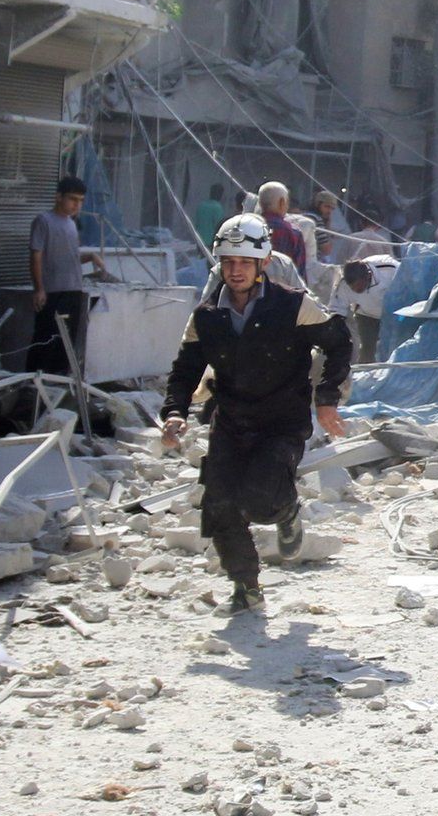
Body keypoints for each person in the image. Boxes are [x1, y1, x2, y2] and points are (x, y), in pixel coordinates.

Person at [159, 215, 352, 615]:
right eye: (229, 261)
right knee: (220, 503)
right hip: (231, 422)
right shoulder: (206, 317)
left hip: (281, 422)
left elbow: (339, 341)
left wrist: (327, 396)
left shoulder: (293, 305)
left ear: (262, 262)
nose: (236, 270)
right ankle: (245, 587)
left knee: (261, 499)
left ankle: (287, 512)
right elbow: (184, 370)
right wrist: (176, 411)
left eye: (245, 262)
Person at [29, 176, 108, 377]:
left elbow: (70, 257)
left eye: (80, 201)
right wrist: (39, 289)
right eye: (72, 199)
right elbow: (36, 255)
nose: (76, 205)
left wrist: (90, 257)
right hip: (53, 290)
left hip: (73, 289)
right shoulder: (43, 221)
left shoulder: (71, 224)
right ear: (58, 197)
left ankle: (58, 383)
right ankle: (33, 382)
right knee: (45, 339)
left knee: (66, 343)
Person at [330, 254, 398, 364]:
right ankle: (366, 378)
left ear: (368, 276)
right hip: (366, 315)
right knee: (367, 350)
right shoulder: (343, 284)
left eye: (359, 286)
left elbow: (407, 286)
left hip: (393, 312)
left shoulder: (390, 269)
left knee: (394, 347)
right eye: (352, 288)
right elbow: (336, 309)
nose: (356, 290)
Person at [256, 181, 308, 276]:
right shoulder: (293, 233)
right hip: (282, 288)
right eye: (287, 202)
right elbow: (300, 274)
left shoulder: (248, 228)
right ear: (282, 202)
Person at [309, 190, 343, 265]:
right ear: (318, 204)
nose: (329, 211)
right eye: (327, 206)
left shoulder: (304, 215)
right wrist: (328, 228)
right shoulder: (317, 219)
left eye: (332, 208)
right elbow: (326, 250)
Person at [191, 183, 227, 249]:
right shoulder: (217, 207)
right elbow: (218, 227)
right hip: (211, 242)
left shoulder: (201, 205)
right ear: (220, 195)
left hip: (199, 240)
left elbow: (197, 223)